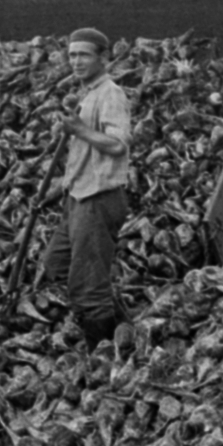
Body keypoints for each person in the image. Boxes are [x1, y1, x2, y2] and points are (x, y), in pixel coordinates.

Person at [41, 27, 132, 347]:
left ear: (103, 58)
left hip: (98, 197)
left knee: (88, 287)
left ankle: (101, 354)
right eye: (72, 55)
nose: (76, 62)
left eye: (84, 55)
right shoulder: (87, 94)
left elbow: (118, 145)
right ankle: (114, 320)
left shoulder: (110, 94)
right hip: (77, 196)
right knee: (56, 264)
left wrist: (79, 129)